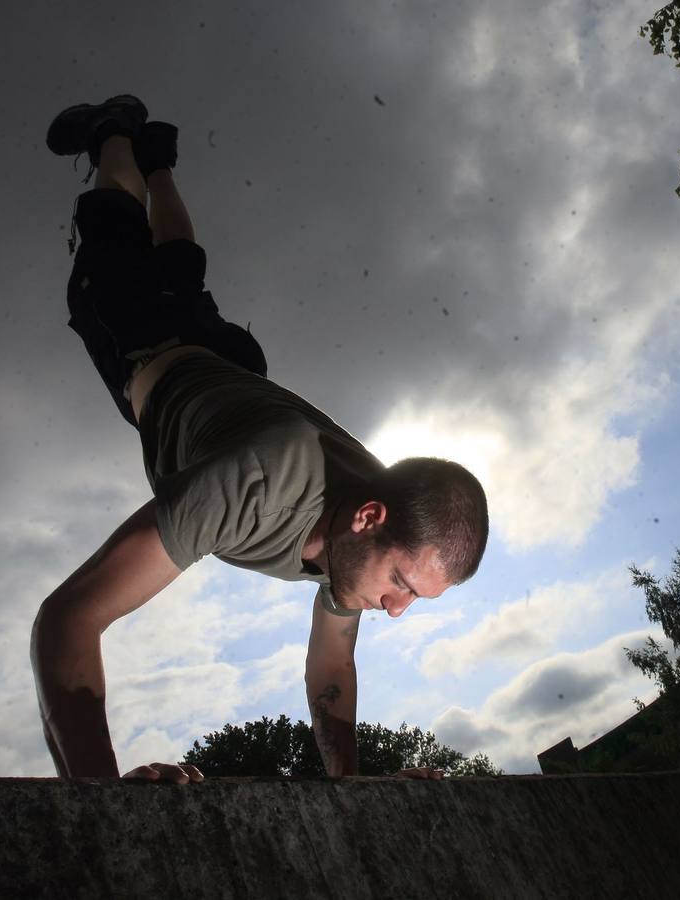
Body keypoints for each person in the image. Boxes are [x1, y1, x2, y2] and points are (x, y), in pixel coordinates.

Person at [32, 95, 489, 784]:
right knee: (116, 230)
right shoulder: (251, 487)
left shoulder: (361, 538)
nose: (395, 610)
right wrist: (103, 808)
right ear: (368, 518)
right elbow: (66, 621)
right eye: (399, 584)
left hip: (230, 367)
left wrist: (355, 792)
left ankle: (162, 163)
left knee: (183, 269)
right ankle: (119, 138)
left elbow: (332, 663)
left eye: (413, 596)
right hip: (146, 342)